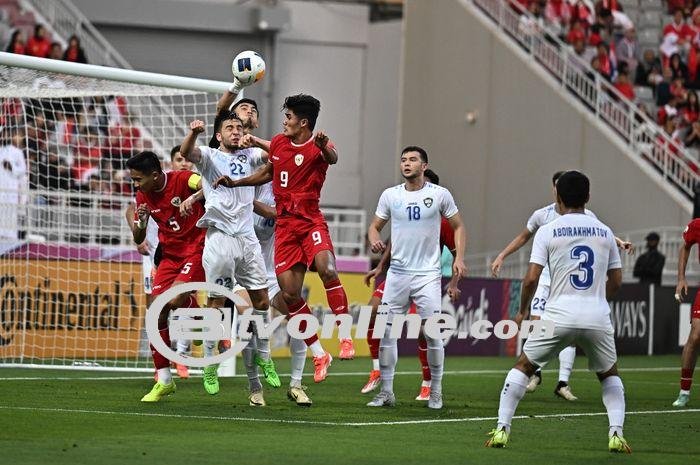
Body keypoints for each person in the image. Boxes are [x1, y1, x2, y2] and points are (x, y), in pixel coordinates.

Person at [213, 93, 355, 383]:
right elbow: (267, 172)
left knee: (328, 269)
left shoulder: (318, 147)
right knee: (290, 295)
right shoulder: (278, 142)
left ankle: (344, 337)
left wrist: (325, 145)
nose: (284, 121)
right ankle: (319, 353)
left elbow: (333, 157)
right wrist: (237, 182)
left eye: (288, 117)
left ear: (303, 122)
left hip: (311, 221)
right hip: (286, 228)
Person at [485, 171, 631, 453]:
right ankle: (616, 434)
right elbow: (616, 282)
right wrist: (597, 300)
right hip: (596, 315)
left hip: (557, 314)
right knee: (609, 375)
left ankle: (502, 429)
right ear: (588, 197)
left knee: (524, 367)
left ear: (558, 197)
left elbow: (530, 279)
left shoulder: (548, 230)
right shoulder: (604, 231)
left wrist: (523, 308)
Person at [366, 146, 467, 409]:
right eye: (403, 160)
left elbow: (458, 226)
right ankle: (387, 392)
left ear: (424, 166)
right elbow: (375, 226)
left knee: (432, 333)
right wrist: (374, 238)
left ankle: (436, 391)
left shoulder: (440, 195)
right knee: (386, 332)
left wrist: (459, 258)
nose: (406, 163)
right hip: (398, 275)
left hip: (427, 276)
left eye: (412, 160)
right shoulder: (390, 195)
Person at [126, 151, 205, 402]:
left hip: (197, 248)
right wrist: (141, 222)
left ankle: (197, 311)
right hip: (169, 255)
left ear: (156, 174)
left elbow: (206, 185)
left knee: (172, 300)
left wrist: (193, 198)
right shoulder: (143, 196)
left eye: (139, 179)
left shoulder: (183, 179)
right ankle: (164, 380)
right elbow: (138, 239)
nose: (136, 185)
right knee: (156, 313)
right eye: (134, 180)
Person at [671, 218, 700, 407]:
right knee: (696, 335)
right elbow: (685, 246)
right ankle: (684, 391)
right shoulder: (697, 225)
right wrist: (681, 278)